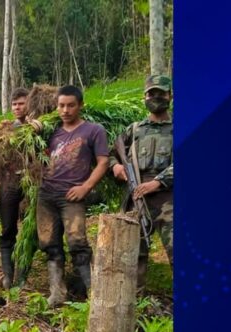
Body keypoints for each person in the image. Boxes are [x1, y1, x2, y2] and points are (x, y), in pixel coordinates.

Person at [37, 85, 109, 307]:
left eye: (71, 105)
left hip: (72, 196)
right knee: (49, 243)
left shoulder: (93, 130)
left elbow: (103, 162)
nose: (65, 110)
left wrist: (85, 187)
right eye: (61, 105)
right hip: (46, 195)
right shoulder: (51, 131)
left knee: (77, 242)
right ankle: (57, 292)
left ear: (80, 106)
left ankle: (94, 292)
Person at [110, 75, 173, 293]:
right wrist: (116, 167)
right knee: (134, 252)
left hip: (169, 198)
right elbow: (112, 153)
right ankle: (136, 301)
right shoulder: (135, 129)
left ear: (170, 96)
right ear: (144, 97)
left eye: (160, 93)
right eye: (151, 94)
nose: (155, 98)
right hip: (137, 196)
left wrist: (158, 182)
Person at [0, 87, 30, 289]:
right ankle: (7, 277)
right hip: (8, 184)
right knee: (8, 230)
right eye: (14, 104)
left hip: (31, 184)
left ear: (29, 104)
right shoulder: (5, 131)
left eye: (21, 103)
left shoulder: (38, 127)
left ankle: (22, 278)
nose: (17, 107)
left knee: (29, 230)